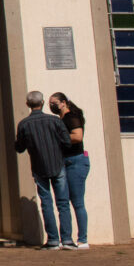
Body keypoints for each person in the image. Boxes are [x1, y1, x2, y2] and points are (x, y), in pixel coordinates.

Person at [16, 91, 75, 250]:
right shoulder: (55, 121)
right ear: (42, 103)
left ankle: (53, 240)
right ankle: (67, 239)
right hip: (57, 163)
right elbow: (67, 142)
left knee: (46, 203)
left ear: (28, 104)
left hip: (39, 166)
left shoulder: (24, 124)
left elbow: (19, 147)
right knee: (63, 203)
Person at [50, 92, 90, 249]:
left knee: (77, 201)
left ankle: (83, 239)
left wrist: (58, 138)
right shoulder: (60, 119)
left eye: (54, 103)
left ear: (63, 102)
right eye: (50, 103)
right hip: (64, 161)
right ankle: (66, 238)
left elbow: (78, 136)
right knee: (63, 201)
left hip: (75, 161)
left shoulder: (71, 117)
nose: (52, 106)